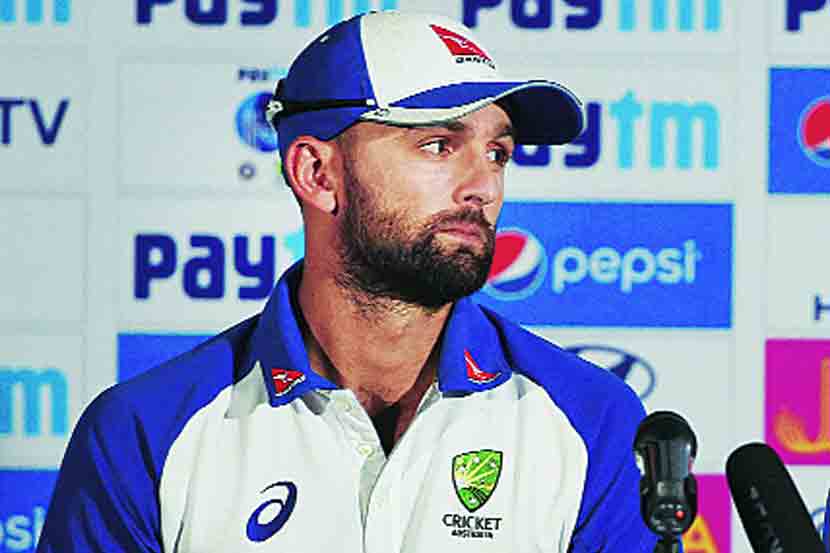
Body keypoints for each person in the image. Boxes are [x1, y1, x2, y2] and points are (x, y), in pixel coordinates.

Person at [38, 11, 657, 553]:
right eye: (438, 146)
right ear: (317, 173)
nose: (483, 187)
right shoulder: (145, 433)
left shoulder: (592, 420)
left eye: (498, 153)